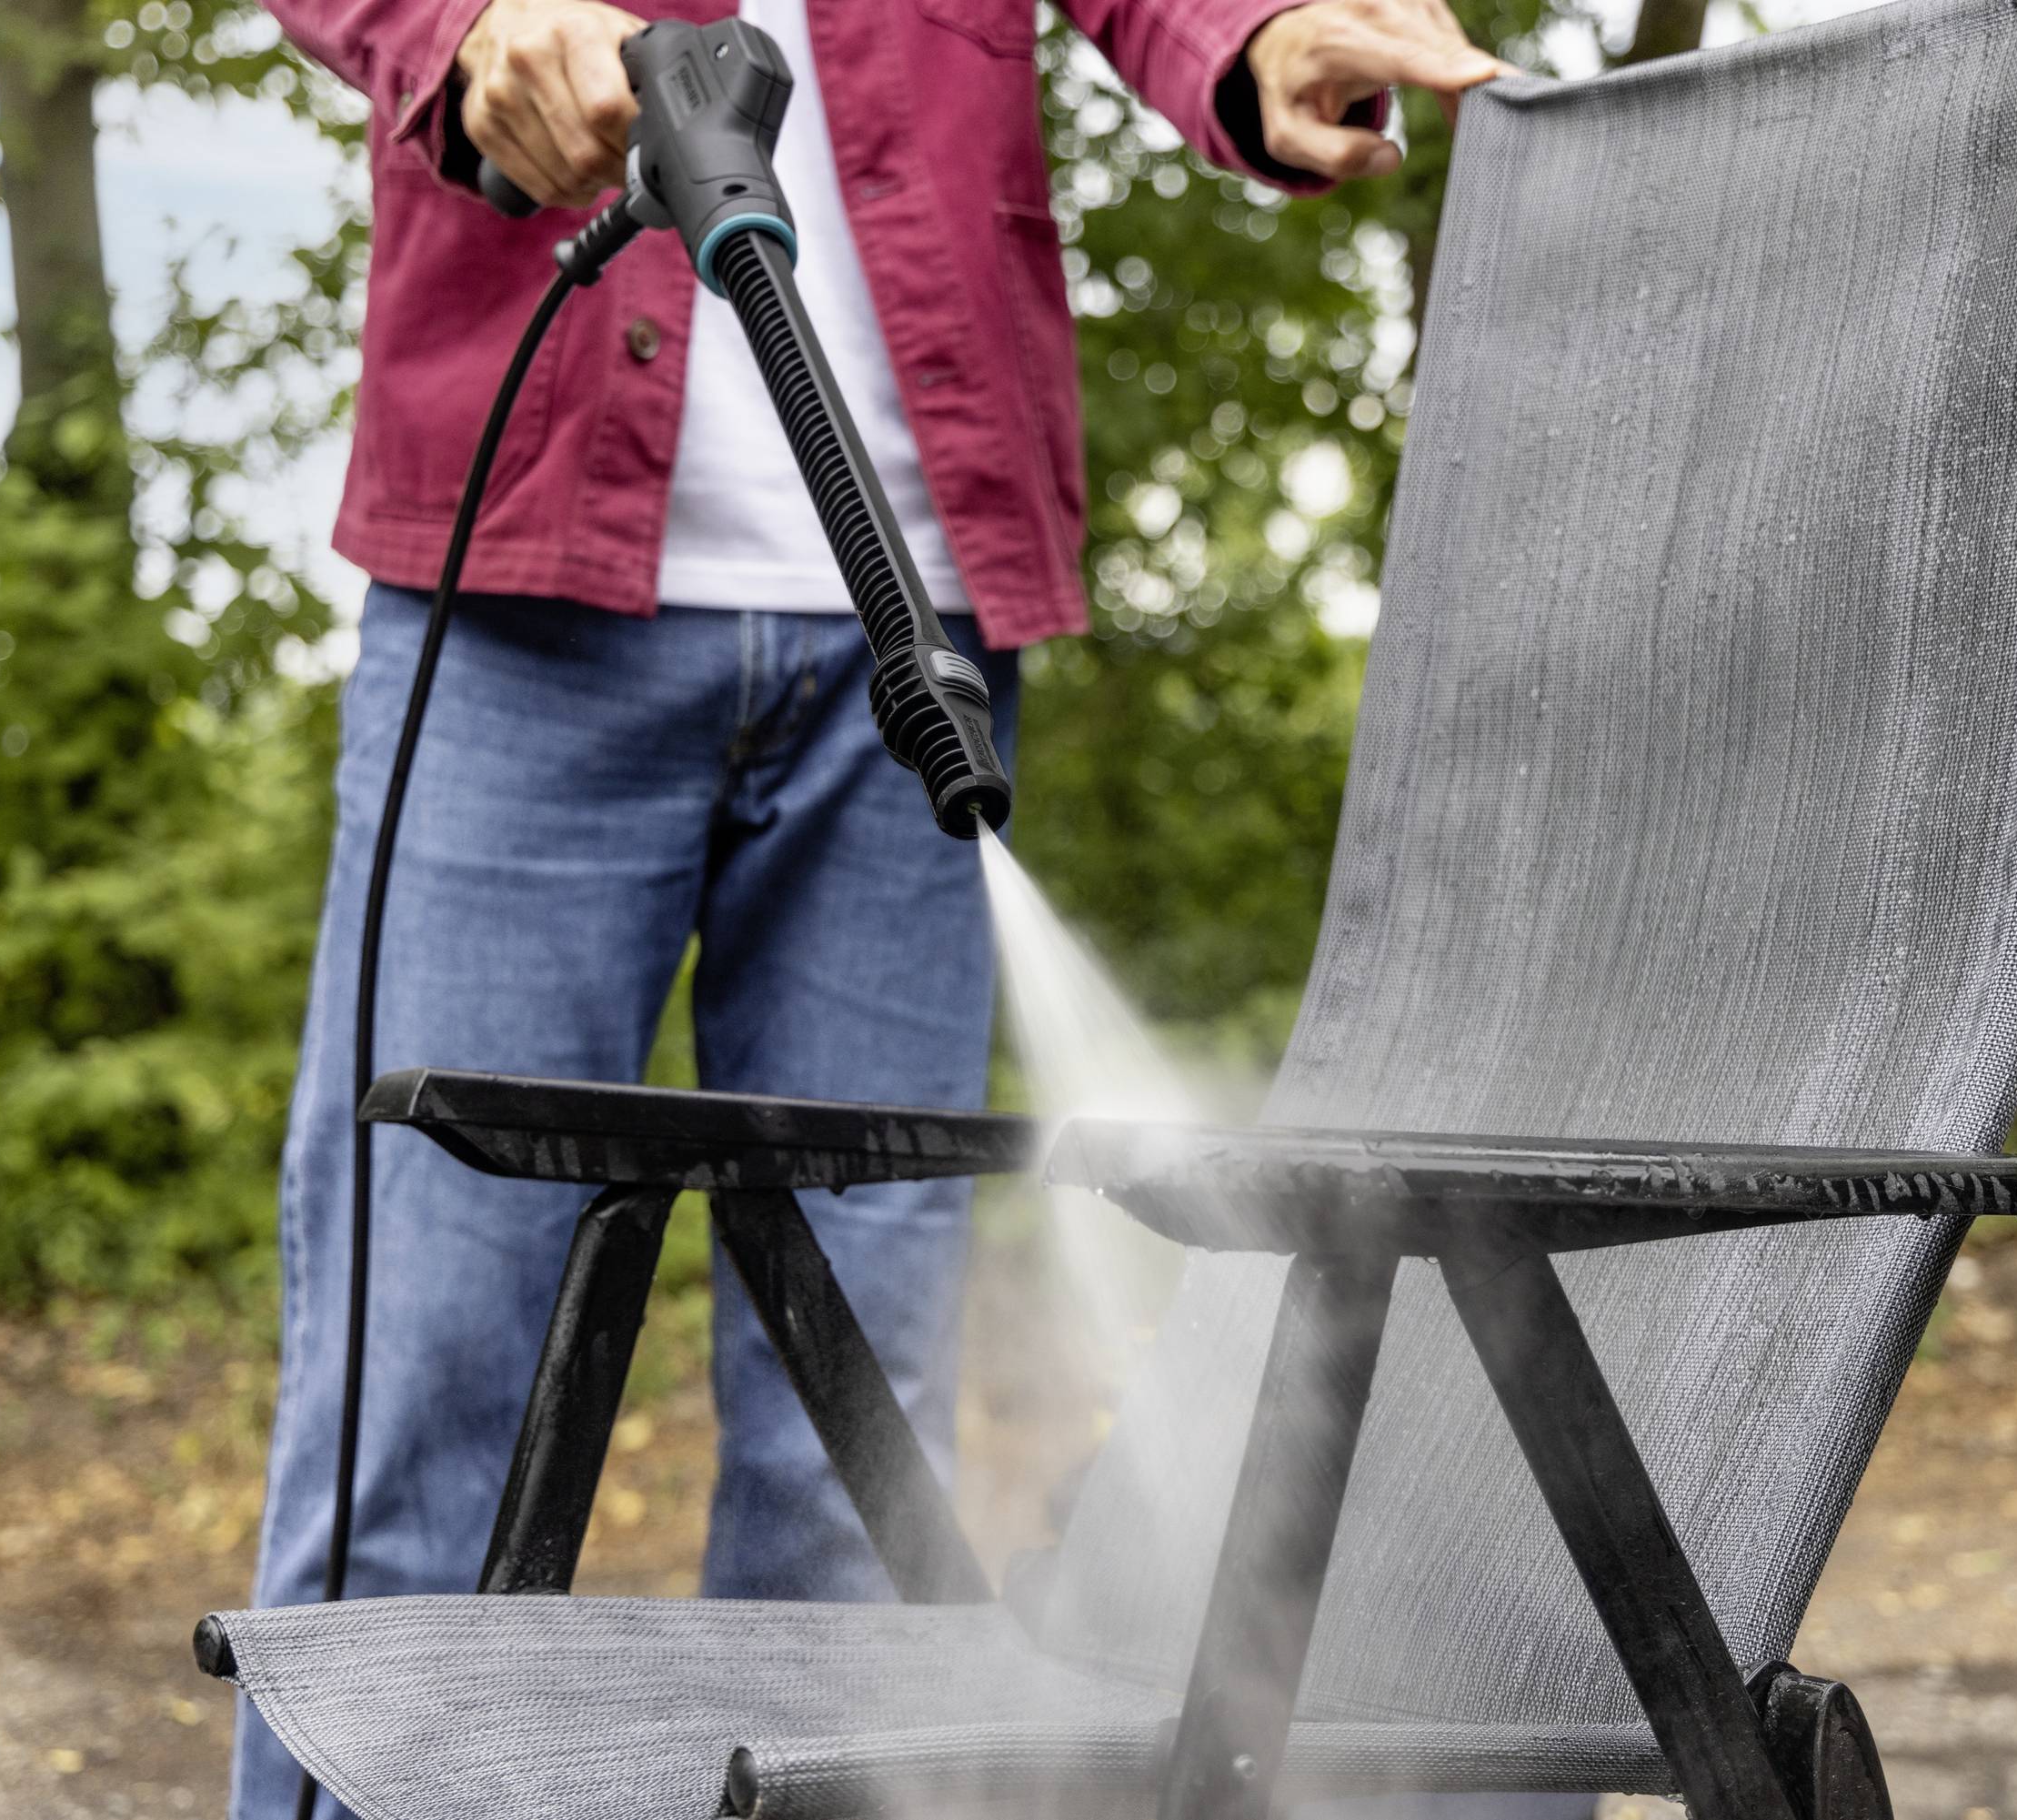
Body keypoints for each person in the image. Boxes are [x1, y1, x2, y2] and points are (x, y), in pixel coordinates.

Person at [232, 0, 1507, 1813]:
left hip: (916, 614)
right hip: (518, 597)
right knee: (421, 1382)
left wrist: (1255, 33)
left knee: (852, 1439)